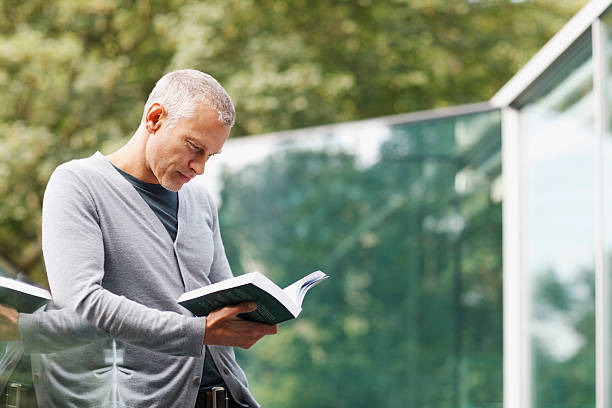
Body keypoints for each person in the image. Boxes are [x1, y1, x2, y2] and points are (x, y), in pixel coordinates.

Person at [36, 69, 278, 407]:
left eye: (210, 155)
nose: (200, 168)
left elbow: (223, 292)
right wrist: (198, 332)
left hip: (230, 397)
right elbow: (81, 302)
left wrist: (258, 311)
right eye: (194, 148)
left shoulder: (201, 200)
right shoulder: (77, 185)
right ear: (155, 118)